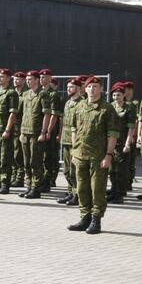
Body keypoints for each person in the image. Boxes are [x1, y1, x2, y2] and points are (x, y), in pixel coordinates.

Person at [68, 76, 119, 234]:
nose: (92, 89)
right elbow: (74, 130)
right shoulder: (80, 106)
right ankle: (85, 218)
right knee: (82, 188)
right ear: (85, 89)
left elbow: (113, 134)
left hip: (98, 156)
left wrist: (108, 155)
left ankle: (96, 220)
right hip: (80, 155)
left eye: (96, 86)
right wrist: (74, 152)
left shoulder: (107, 109)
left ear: (101, 89)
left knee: (97, 189)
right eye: (89, 87)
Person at [18, 70, 51, 199]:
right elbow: (22, 114)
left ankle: (36, 188)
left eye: (30, 79)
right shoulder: (25, 94)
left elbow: (47, 114)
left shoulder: (42, 95)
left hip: (36, 132)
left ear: (37, 80)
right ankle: (29, 186)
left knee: (35, 161)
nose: (27, 81)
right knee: (26, 161)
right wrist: (21, 132)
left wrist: (43, 131)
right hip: (25, 131)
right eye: (27, 79)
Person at [108, 83, 136, 204]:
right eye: (114, 95)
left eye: (118, 95)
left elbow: (131, 128)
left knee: (121, 170)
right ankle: (114, 190)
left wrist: (127, 144)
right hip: (111, 143)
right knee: (112, 170)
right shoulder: (110, 107)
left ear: (123, 95)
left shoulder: (129, 108)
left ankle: (119, 195)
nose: (116, 97)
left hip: (122, 143)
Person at [57, 78, 82, 206]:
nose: (68, 89)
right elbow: (63, 121)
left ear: (78, 88)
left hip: (76, 142)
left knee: (74, 170)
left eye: (71, 87)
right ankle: (70, 192)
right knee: (66, 170)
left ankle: (77, 195)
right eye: (67, 87)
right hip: (66, 140)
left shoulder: (82, 103)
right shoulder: (67, 103)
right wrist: (60, 134)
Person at [41, 69, 62, 191]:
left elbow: (54, 115)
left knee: (48, 157)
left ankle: (48, 181)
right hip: (41, 129)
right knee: (41, 157)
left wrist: (48, 131)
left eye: (45, 77)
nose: (42, 79)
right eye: (41, 77)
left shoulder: (53, 95)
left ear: (50, 78)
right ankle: (42, 181)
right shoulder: (40, 92)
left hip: (50, 131)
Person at [11, 71, 27, 187]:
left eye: (18, 79)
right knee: (11, 153)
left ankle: (20, 177)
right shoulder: (12, 93)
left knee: (18, 154)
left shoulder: (26, 94)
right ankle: (13, 175)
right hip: (10, 127)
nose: (16, 81)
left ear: (23, 80)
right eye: (14, 79)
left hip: (20, 127)